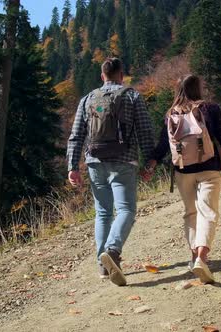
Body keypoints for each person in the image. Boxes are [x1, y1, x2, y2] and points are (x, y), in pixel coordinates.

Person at [67, 58, 155, 286]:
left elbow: (76, 135)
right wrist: (150, 162)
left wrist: (72, 167)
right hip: (124, 160)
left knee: (103, 213)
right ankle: (113, 251)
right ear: (121, 74)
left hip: (94, 161)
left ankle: (102, 265)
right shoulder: (132, 95)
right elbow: (145, 130)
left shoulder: (87, 99)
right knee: (126, 210)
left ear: (102, 75)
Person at [146, 74, 221, 284]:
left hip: (183, 171)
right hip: (209, 168)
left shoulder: (170, 114)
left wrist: (151, 165)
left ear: (178, 91)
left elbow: (163, 145)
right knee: (208, 212)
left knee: (190, 213)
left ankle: (194, 255)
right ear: (198, 88)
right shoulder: (210, 108)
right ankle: (202, 257)